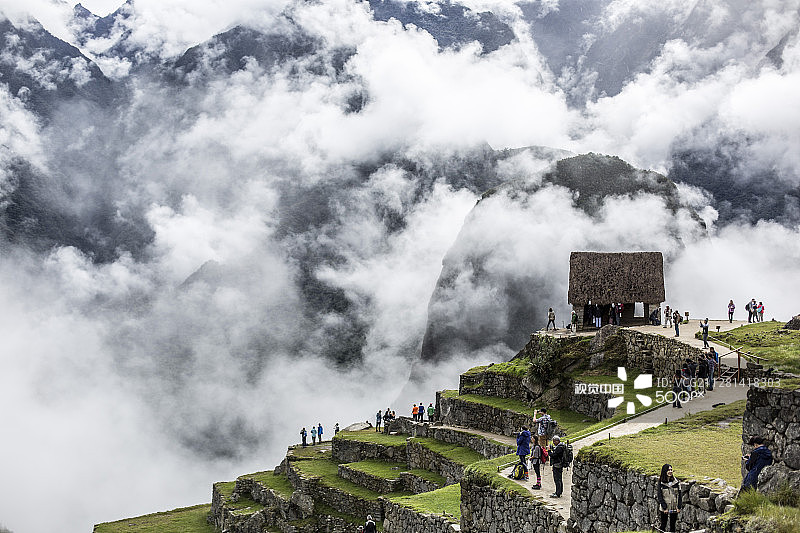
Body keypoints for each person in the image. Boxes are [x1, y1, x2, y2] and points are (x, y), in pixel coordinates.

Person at [657, 464, 682, 532]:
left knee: (673, 526)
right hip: (665, 507)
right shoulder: (661, 482)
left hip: (674, 507)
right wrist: (664, 507)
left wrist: (678, 507)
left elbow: (679, 495)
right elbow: (660, 496)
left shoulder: (676, 482)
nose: (670, 471)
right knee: (663, 525)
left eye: (671, 470)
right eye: (668, 470)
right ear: (665, 471)